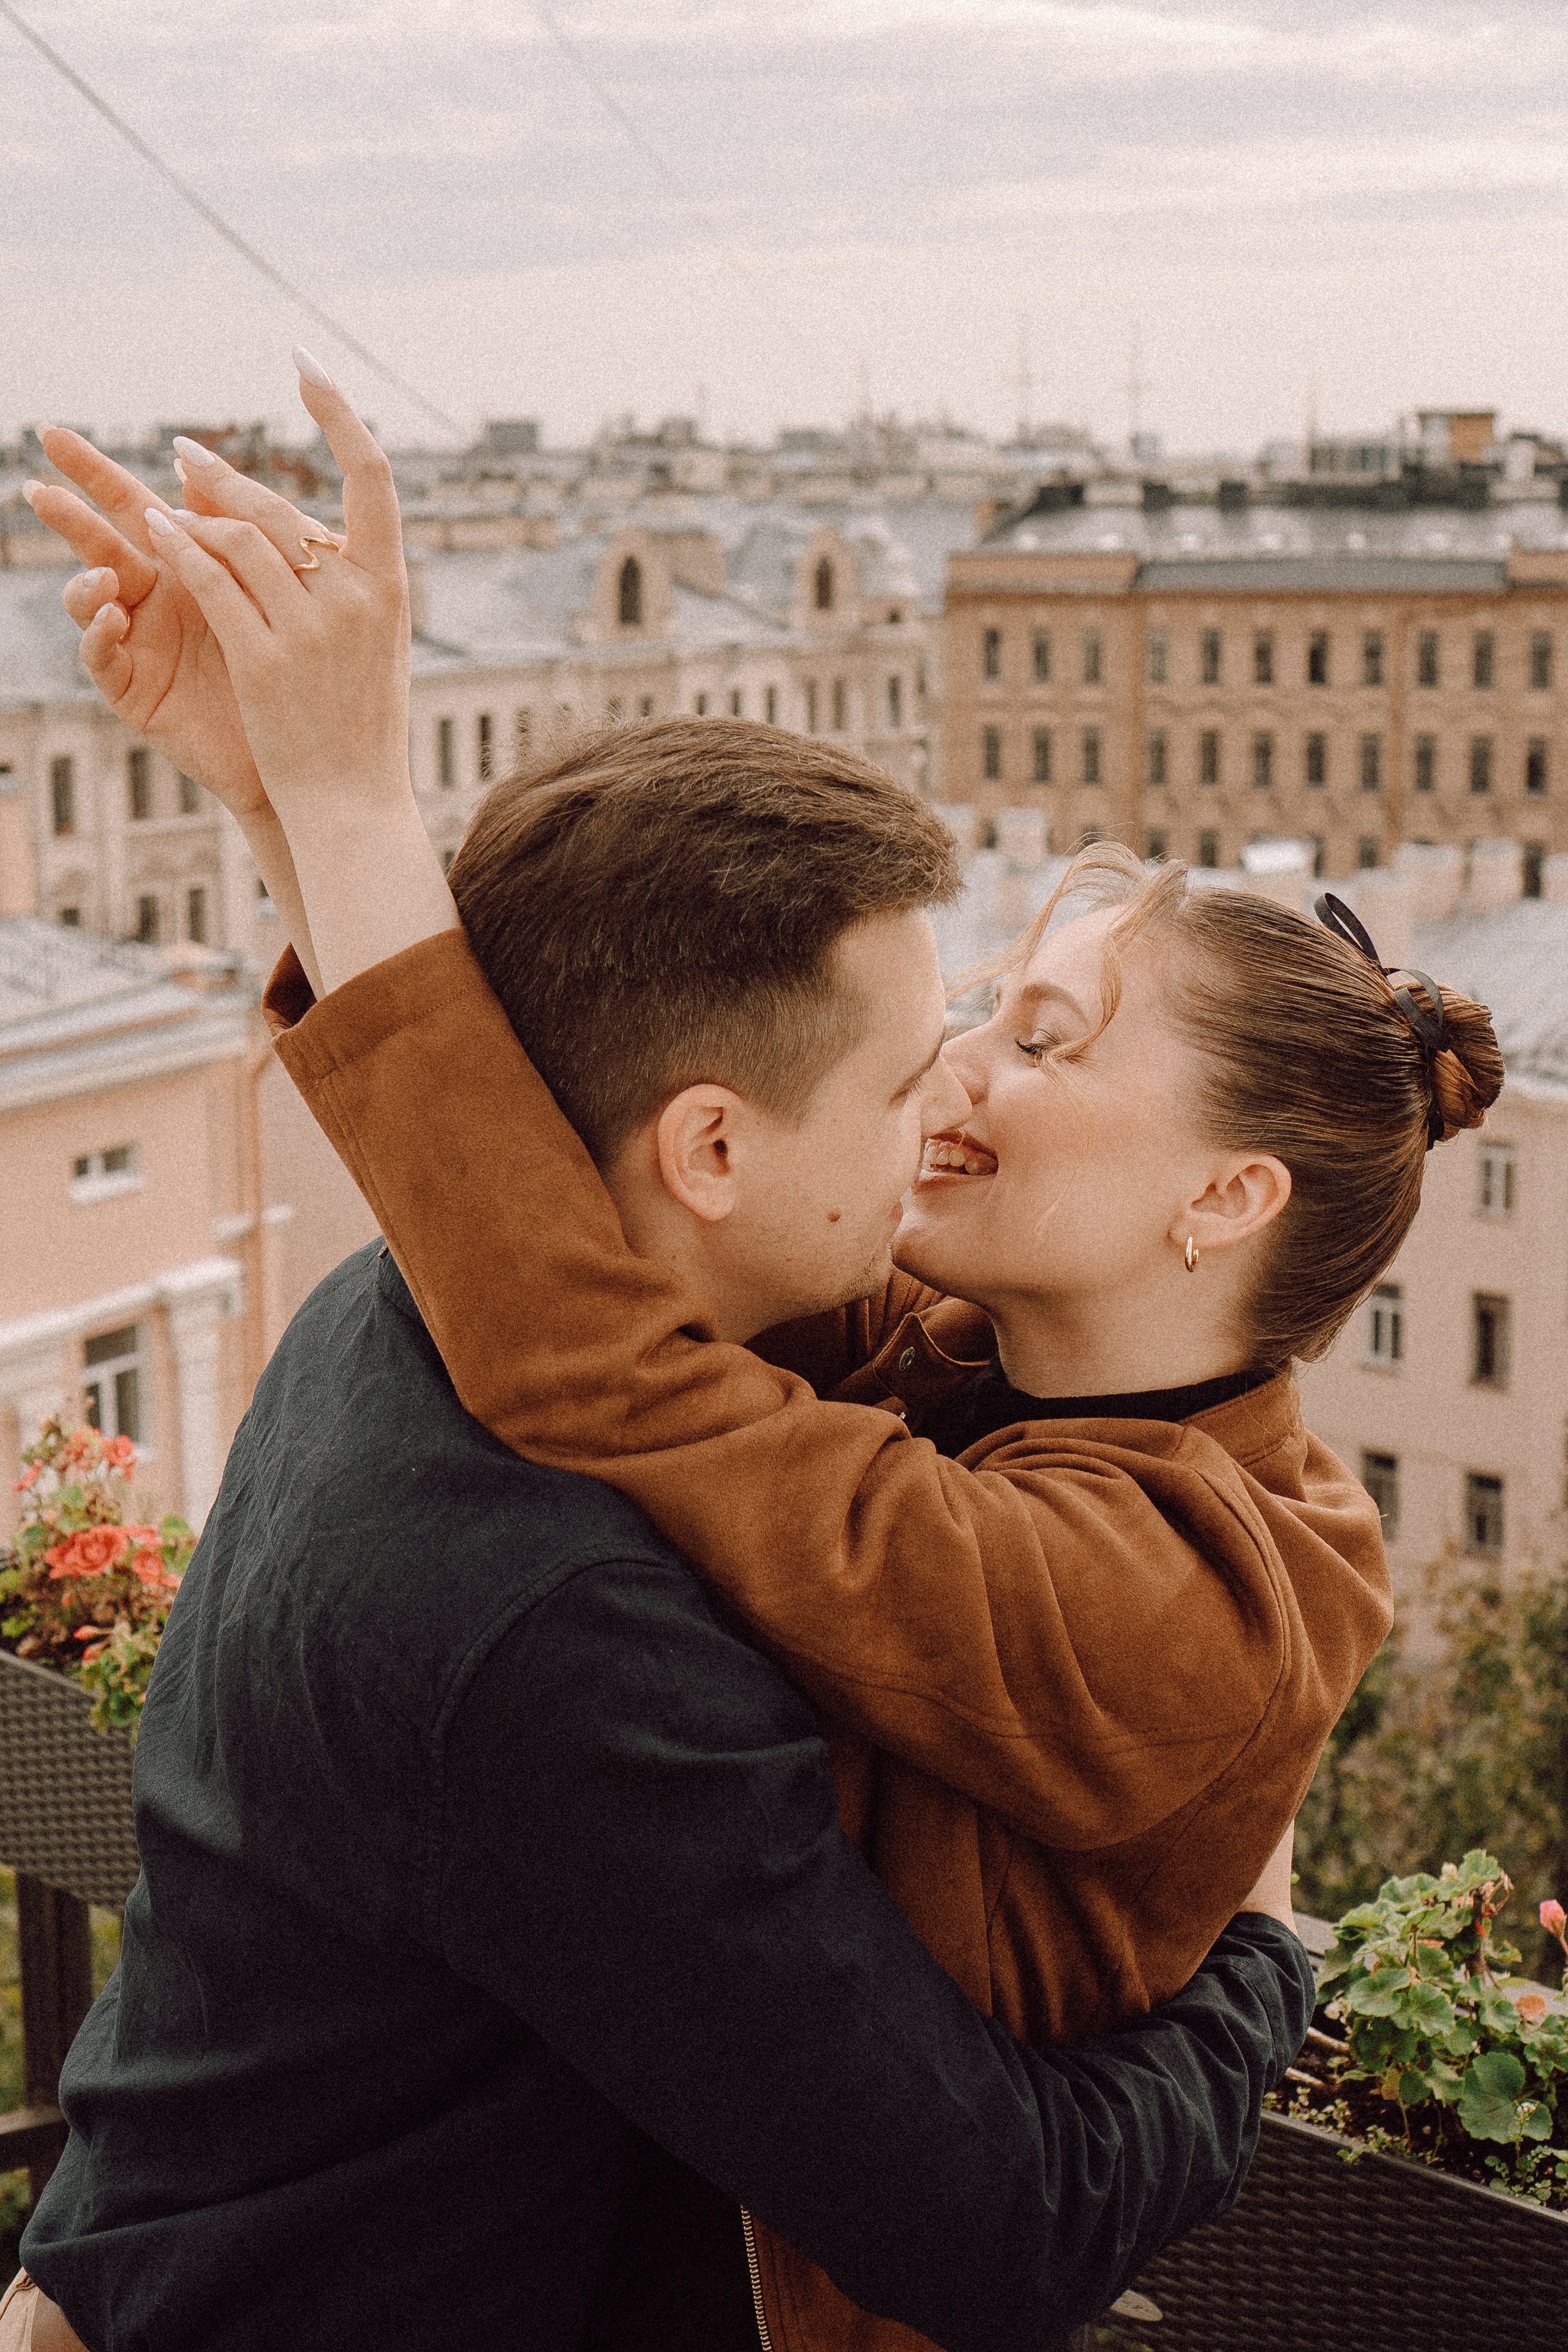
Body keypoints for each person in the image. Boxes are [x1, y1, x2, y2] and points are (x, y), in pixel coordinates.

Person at [6, 404, 1318, 2352]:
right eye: (900, 1082)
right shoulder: (566, 1635)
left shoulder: (400, 1312)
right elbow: (1007, 2224)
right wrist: (1269, 1967)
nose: (938, 1114)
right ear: (709, 1153)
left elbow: (487, 1145)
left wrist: (298, 806)